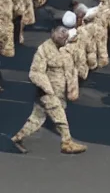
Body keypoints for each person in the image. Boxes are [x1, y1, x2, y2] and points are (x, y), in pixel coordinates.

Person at [11, 26, 87, 154]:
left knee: (36, 119)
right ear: (52, 32)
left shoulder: (64, 50)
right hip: (47, 93)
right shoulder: (44, 50)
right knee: (60, 118)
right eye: (61, 32)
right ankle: (67, 142)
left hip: (60, 93)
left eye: (65, 34)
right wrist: (48, 90)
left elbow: (70, 70)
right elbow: (35, 72)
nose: (64, 36)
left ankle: (16, 138)